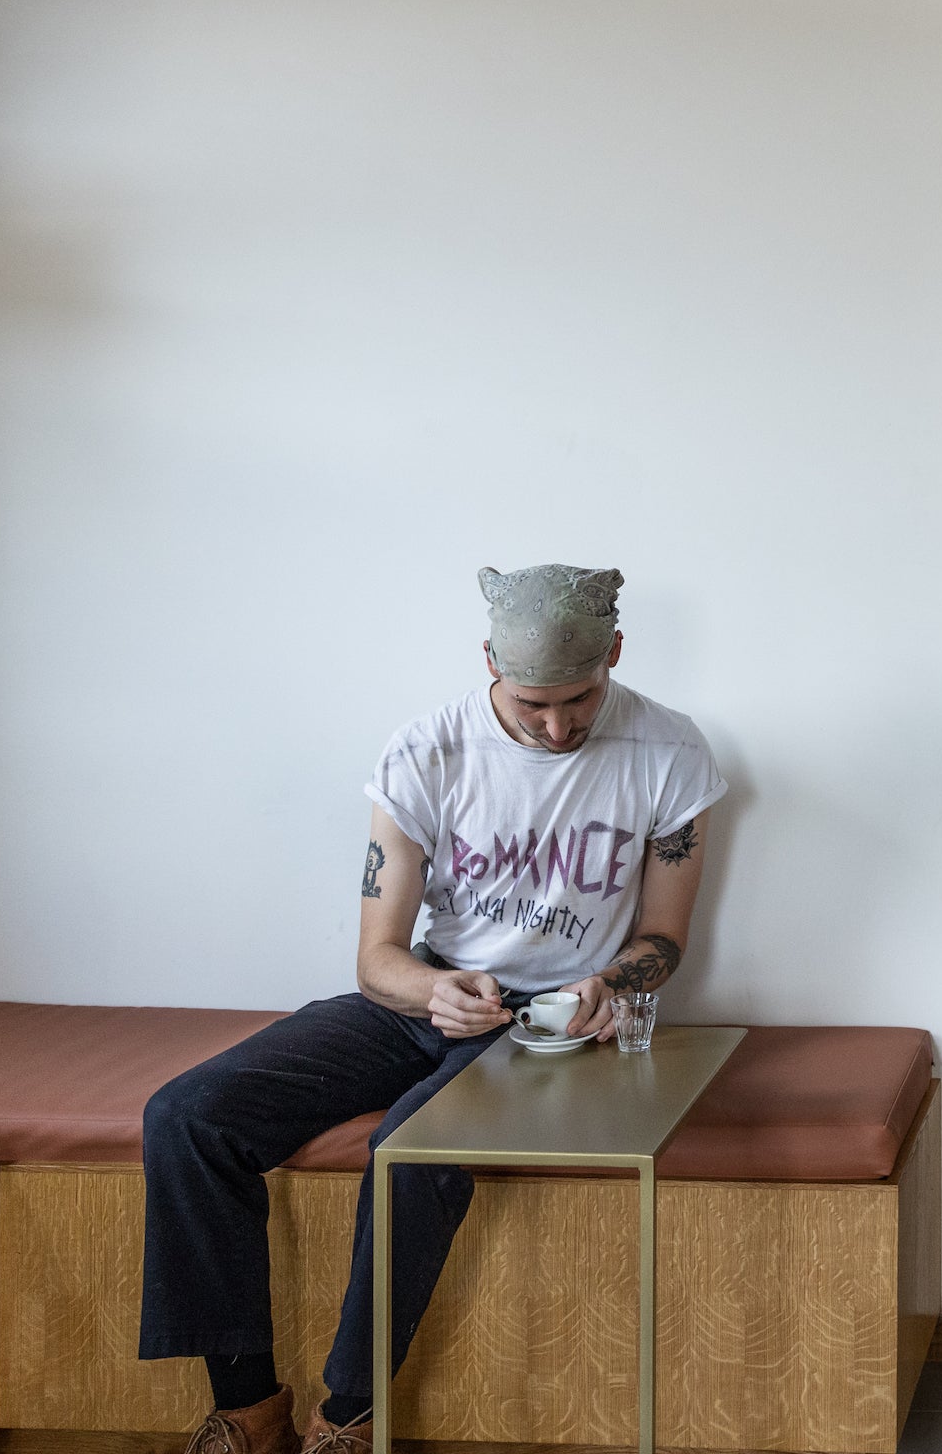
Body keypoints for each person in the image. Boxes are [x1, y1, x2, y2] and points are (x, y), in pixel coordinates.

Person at [138, 564, 726, 1454]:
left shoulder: (670, 752)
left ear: (615, 651)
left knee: (409, 1151)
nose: (558, 728)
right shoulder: (426, 752)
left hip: (550, 1026)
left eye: (579, 700)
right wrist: (431, 990)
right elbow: (377, 958)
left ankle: (347, 1419)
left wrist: (612, 985)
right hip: (429, 993)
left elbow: (663, 939)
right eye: (533, 705)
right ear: (488, 661)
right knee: (188, 1116)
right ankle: (248, 1414)